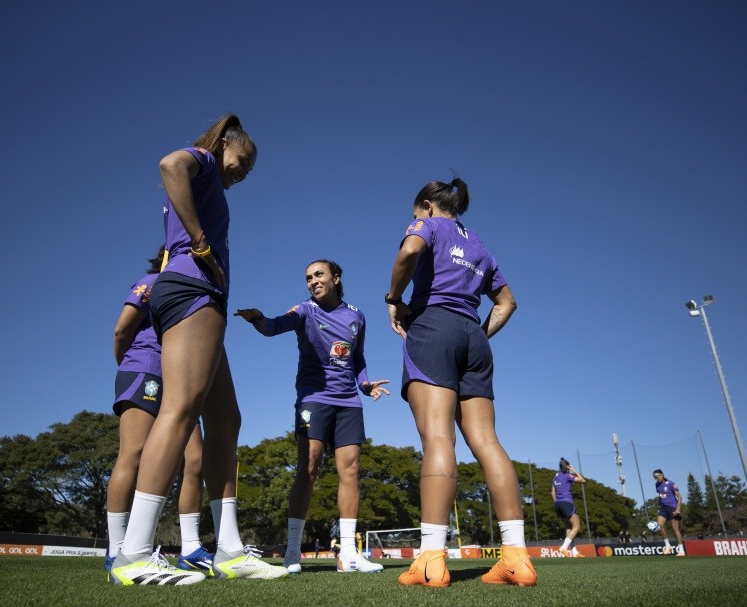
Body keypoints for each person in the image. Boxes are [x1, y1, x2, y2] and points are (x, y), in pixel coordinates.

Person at [110, 115, 288, 586]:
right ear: (226, 144)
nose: (242, 173)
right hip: (192, 290)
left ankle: (229, 549)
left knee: (226, 419)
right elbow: (169, 164)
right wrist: (200, 241)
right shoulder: (204, 160)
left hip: (204, 298)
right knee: (182, 408)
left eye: (248, 170)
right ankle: (133, 553)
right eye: (242, 161)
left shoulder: (213, 180)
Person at [386, 176, 536, 588]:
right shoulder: (480, 244)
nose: (412, 221)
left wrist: (393, 300)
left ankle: (432, 560)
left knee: (438, 439)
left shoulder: (428, 225)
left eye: (414, 213)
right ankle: (517, 558)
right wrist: (476, 336)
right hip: (474, 335)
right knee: (488, 442)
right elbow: (508, 302)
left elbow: (409, 252)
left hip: (433, 327)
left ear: (428, 206)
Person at [235, 259, 390, 574]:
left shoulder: (357, 315)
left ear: (336, 277)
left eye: (318, 275)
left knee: (351, 469)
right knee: (309, 465)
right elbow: (275, 325)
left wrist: (365, 384)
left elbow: (357, 357)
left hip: (348, 402)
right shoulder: (304, 311)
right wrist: (257, 320)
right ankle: (293, 551)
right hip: (313, 400)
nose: (313, 281)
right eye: (308, 278)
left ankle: (347, 554)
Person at [105, 246, 213, 579]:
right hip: (145, 371)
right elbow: (122, 330)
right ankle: (116, 549)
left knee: (195, 460)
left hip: (179, 377)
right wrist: (135, 365)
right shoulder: (150, 282)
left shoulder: (193, 291)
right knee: (133, 454)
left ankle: (191, 548)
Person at [551, 457, 586, 557]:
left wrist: (556, 503)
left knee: (568, 527)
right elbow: (582, 480)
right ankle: (563, 548)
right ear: (567, 467)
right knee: (576, 527)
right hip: (567, 503)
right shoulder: (567, 475)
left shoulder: (555, 477)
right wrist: (574, 469)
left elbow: (552, 492)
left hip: (558, 504)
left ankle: (574, 552)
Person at [653, 469, 685, 556]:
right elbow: (661, 496)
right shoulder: (657, 485)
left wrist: (678, 509)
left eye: (657, 477)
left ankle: (681, 550)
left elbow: (679, 497)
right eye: (654, 478)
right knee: (659, 526)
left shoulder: (671, 483)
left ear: (662, 475)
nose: (656, 479)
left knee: (675, 528)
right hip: (663, 508)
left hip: (673, 508)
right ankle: (668, 546)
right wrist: (659, 506)